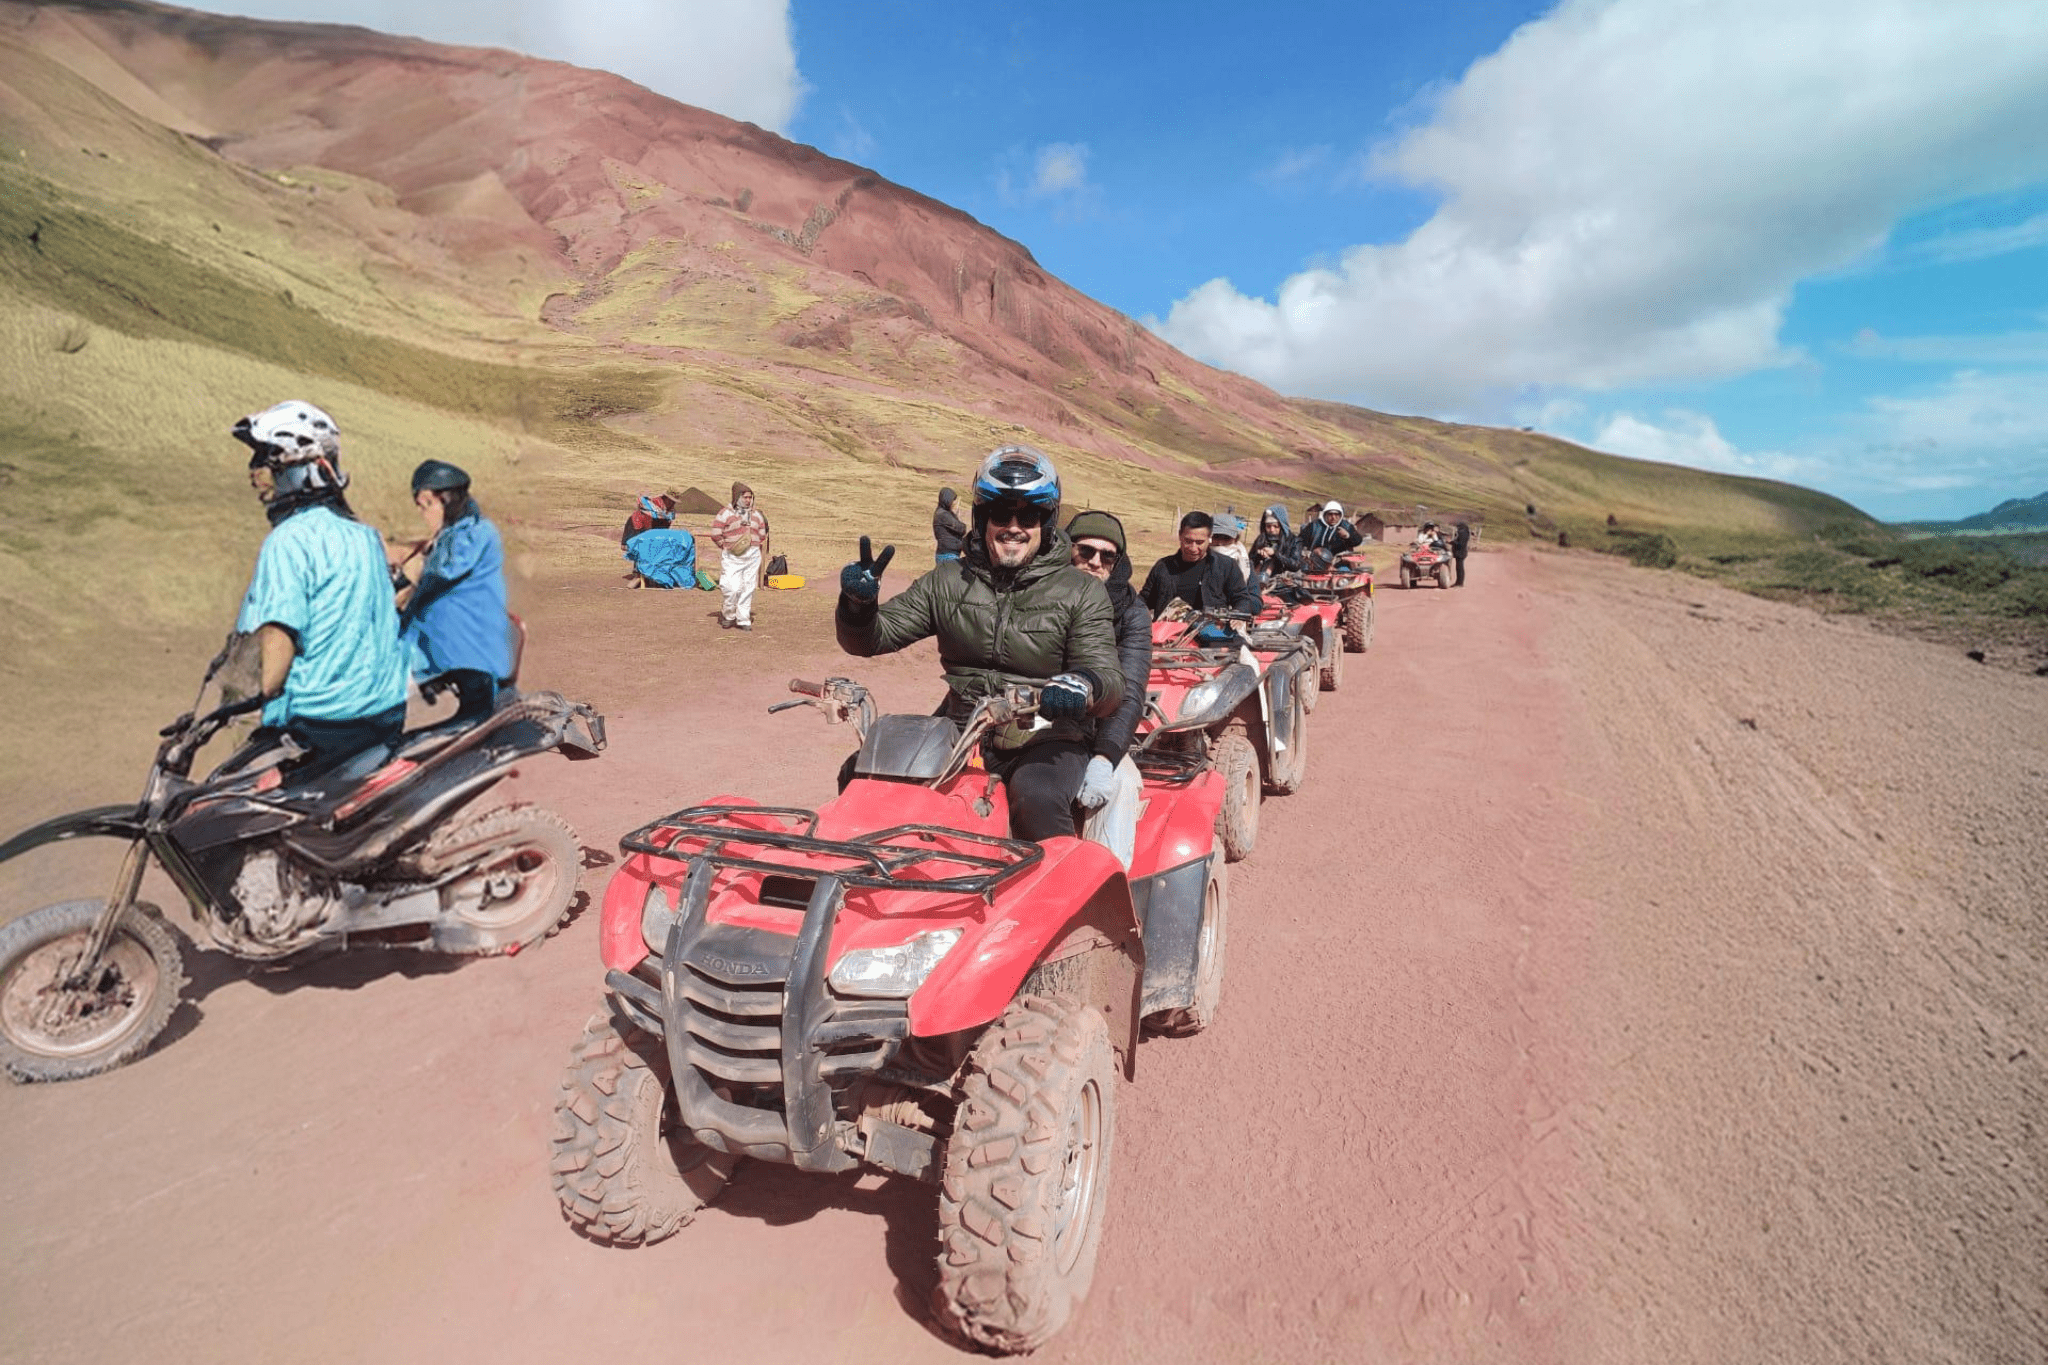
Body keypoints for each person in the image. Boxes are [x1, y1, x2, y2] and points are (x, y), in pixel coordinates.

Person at [836, 445, 1123, 843]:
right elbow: (873, 638)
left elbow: (1107, 675)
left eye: (1029, 516)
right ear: (982, 517)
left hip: (1045, 734)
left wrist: (1083, 685)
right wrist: (858, 606)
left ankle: (1057, 882)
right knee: (864, 773)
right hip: (962, 728)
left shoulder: (1081, 591)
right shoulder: (947, 580)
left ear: (1047, 521)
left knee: (1036, 799)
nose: (1014, 526)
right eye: (1000, 513)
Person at [231, 401, 409, 780]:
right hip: (385, 715)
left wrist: (247, 701)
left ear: (302, 470)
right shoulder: (366, 537)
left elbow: (274, 661)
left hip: (322, 726)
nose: (255, 475)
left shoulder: (287, 541)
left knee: (227, 797)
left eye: (268, 463)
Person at [395, 460, 512, 721]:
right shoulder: (456, 530)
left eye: (427, 504)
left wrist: (402, 591)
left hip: (464, 648)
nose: (423, 513)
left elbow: (437, 578)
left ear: (447, 500)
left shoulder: (471, 536)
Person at [1065, 510, 1149, 868]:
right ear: (1067, 549)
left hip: (1096, 731)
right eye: (1085, 551)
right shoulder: (1039, 592)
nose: (1095, 562)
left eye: (1107, 556)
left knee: (1119, 784)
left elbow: (1129, 690)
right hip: (1033, 723)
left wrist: (1105, 756)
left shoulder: (1132, 612)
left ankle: (1104, 886)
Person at [1139, 511, 1261, 619]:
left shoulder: (1227, 566)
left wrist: (1236, 615)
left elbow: (1242, 600)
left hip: (1212, 633)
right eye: (1188, 541)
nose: (1193, 548)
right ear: (1180, 535)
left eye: (1199, 542)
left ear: (1209, 538)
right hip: (1168, 633)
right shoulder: (1163, 567)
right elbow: (1143, 601)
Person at [709, 481, 770, 631]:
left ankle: (743, 619)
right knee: (731, 588)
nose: (748, 500)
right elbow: (715, 533)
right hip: (732, 555)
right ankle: (728, 614)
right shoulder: (725, 513)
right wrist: (726, 546)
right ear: (737, 497)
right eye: (745, 497)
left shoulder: (757, 515)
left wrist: (753, 543)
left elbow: (762, 533)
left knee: (748, 587)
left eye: (750, 497)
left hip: (752, 555)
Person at [620, 498, 698, 590]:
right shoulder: (652, 506)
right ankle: (639, 574)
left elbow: (664, 526)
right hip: (642, 528)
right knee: (642, 549)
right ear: (666, 499)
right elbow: (647, 523)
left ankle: (653, 576)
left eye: (674, 502)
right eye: (671, 500)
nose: (672, 503)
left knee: (659, 551)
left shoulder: (670, 511)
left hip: (654, 533)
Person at [1248, 505, 1301, 597]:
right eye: (1268, 526)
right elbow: (1249, 561)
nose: (1272, 530)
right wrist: (1259, 555)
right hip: (1258, 579)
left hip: (1284, 585)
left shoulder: (1294, 541)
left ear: (1282, 525)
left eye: (1276, 526)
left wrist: (1275, 554)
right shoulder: (1261, 539)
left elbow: (1295, 564)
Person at [1299, 501, 1364, 568]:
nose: (1333, 517)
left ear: (1340, 515)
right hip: (1316, 560)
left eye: (1336, 515)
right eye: (1330, 514)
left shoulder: (1346, 526)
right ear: (1325, 514)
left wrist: (1347, 536)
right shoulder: (1314, 526)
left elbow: (1358, 540)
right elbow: (1300, 540)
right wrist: (1305, 552)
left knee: (1344, 571)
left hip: (1339, 562)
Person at [932, 486, 966, 566]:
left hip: (950, 554)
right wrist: (956, 515)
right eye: (953, 500)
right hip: (947, 555)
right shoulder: (943, 515)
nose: (954, 503)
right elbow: (961, 528)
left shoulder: (944, 513)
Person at [1452, 520, 1472, 586]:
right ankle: (1458, 582)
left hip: (1460, 552)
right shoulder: (1465, 532)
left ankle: (1460, 583)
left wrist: (1453, 542)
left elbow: (1461, 544)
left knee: (1460, 568)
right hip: (1461, 552)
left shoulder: (1463, 533)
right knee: (1459, 568)